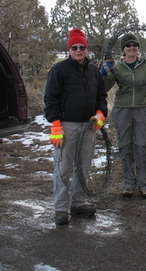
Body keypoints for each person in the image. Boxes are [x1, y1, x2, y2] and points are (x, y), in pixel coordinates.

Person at [44, 28, 108, 225]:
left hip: (88, 126)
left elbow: (102, 96)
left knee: (83, 166)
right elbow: (50, 98)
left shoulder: (93, 71)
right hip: (66, 126)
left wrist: (101, 113)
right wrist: (56, 124)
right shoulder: (59, 70)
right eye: (74, 47)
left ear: (86, 49)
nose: (78, 50)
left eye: (82, 47)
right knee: (63, 167)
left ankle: (78, 203)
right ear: (69, 49)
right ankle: (60, 208)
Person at [101, 33, 146, 199]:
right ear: (123, 50)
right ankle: (129, 184)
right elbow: (104, 87)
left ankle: (145, 185)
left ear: (138, 48)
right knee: (125, 146)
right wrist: (104, 72)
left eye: (135, 45)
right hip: (122, 109)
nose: (132, 48)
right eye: (128, 46)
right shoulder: (117, 67)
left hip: (140, 109)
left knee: (141, 146)